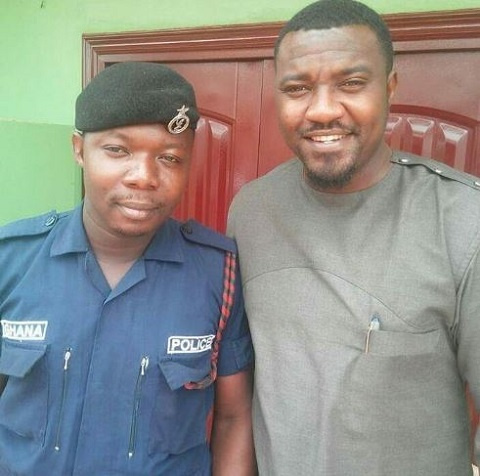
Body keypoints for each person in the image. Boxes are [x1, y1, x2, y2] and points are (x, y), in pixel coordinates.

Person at [227, 1, 480, 475]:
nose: (322, 110)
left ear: (389, 88)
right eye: (297, 88)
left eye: (351, 83)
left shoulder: (465, 221)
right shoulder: (253, 210)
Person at [0, 62, 255, 475]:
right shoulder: (11, 259)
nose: (144, 177)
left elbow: (232, 418)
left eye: (170, 158)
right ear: (79, 150)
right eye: (118, 150)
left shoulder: (219, 274)